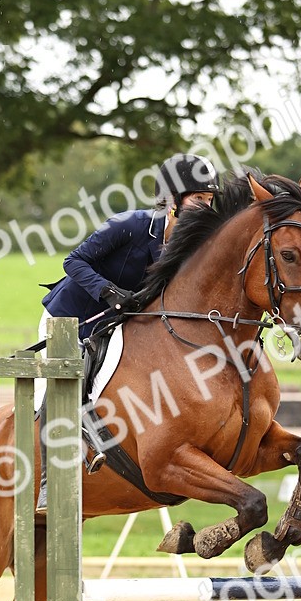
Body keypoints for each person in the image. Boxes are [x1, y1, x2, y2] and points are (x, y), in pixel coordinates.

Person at [35, 153, 219, 510]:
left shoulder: (188, 248)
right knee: (64, 385)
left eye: (210, 202)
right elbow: (72, 261)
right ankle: (47, 481)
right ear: (172, 200)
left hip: (118, 324)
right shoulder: (129, 225)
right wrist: (108, 291)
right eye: (199, 200)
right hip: (71, 320)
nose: (206, 209)